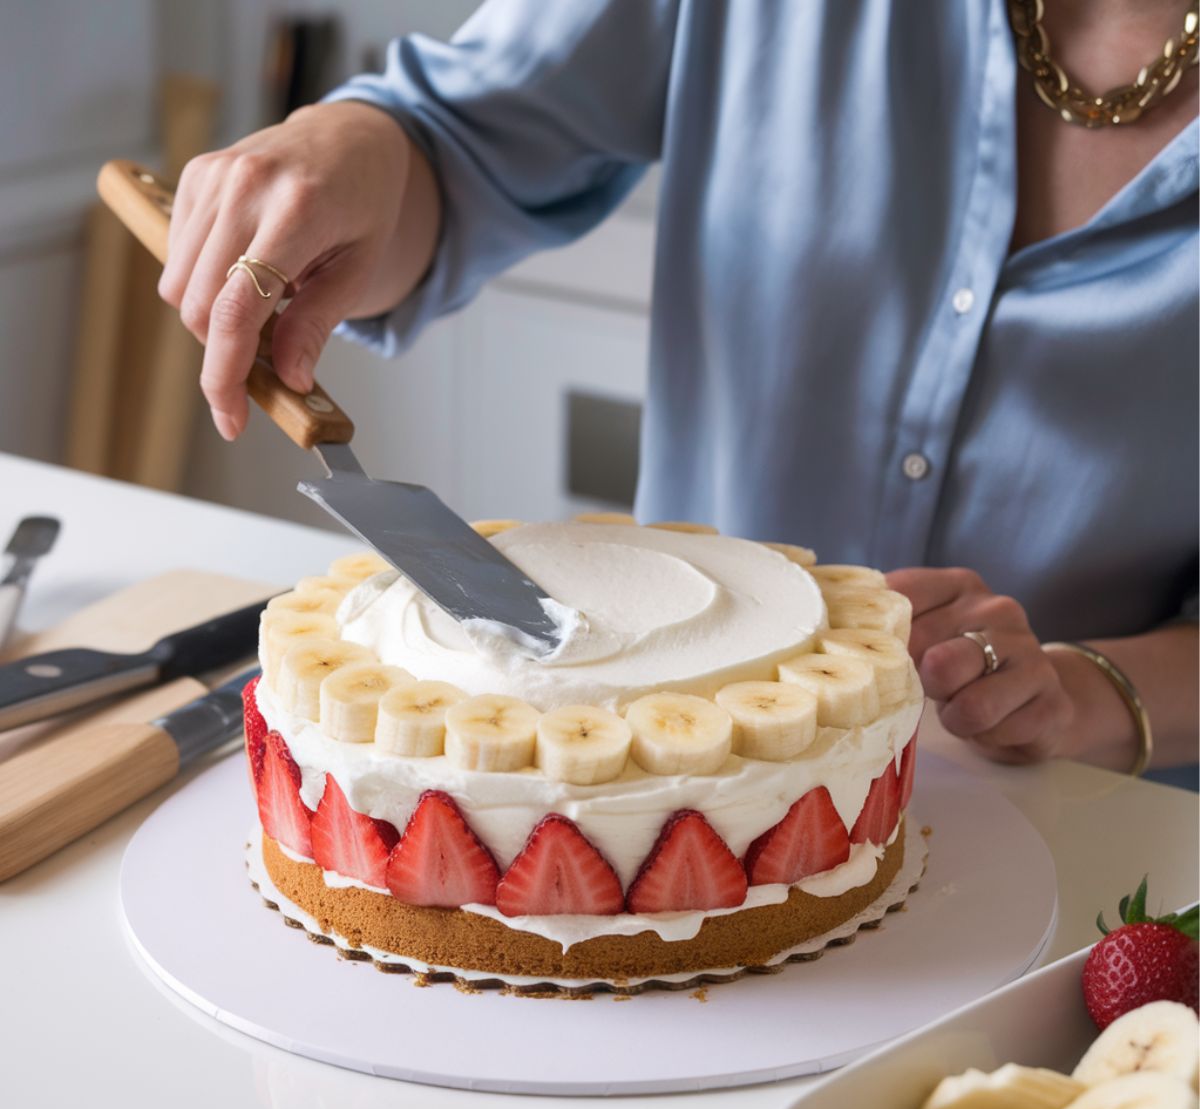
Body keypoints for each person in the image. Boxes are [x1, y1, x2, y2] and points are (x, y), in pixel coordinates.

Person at [156, 0, 1198, 784]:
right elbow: (452, 142)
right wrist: (364, 150)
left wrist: (1080, 692)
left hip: (1094, 840)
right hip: (660, 789)